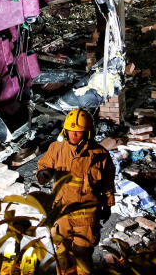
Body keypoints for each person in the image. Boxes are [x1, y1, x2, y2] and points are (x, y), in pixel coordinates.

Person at [36, 108, 115, 275]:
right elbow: (43, 166)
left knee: (83, 256)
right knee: (62, 256)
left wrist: (108, 205)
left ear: (87, 133)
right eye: (70, 131)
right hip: (62, 213)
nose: (73, 135)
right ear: (65, 130)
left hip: (86, 216)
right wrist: (44, 174)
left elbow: (108, 182)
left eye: (78, 132)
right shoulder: (56, 149)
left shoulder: (100, 155)